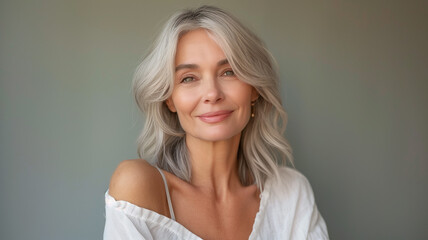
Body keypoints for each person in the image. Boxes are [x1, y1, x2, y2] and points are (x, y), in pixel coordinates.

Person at [103, 5, 329, 240]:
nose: (212, 93)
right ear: (170, 99)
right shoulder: (139, 187)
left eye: (228, 72)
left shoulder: (291, 194)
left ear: (254, 89)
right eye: (189, 78)